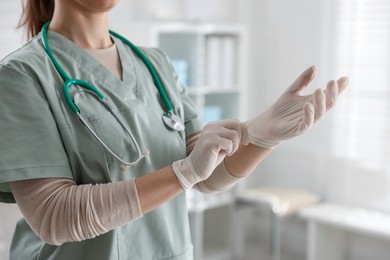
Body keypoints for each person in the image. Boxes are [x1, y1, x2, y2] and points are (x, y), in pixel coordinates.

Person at [0, 0, 349, 259]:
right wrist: (182, 173)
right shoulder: (22, 75)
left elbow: (208, 177)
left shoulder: (155, 64)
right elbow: (54, 217)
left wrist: (261, 135)